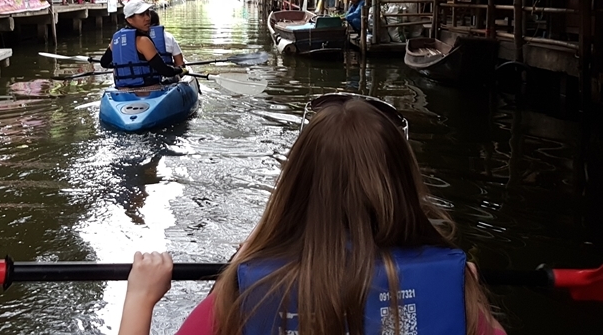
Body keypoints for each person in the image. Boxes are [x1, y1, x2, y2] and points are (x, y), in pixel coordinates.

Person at [117, 95, 506, 335]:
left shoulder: (250, 290)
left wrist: (141, 297)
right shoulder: (455, 287)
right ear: (403, 186)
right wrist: (458, 286)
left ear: (296, 187)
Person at [100, 0, 187, 88]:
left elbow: (104, 63)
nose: (148, 18)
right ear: (129, 19)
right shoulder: (143, 41)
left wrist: (121, 67)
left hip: (123, 89)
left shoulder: (116, 39)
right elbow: (164, 71)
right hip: (149, 89)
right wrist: (180, 70)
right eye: (142, 15)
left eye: (148, 13)